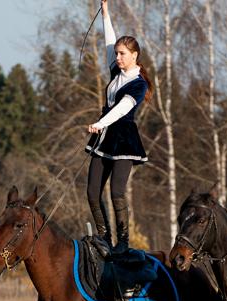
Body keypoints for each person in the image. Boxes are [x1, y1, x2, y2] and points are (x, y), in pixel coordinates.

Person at [86, 0, 153, 254]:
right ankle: (104, 237)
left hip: (123, 138)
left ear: (134, 55)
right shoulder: (116, 72)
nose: (117, 57)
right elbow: (108, 40)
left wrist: (99, 123)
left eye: (122, 54)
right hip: (104, 137)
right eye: (116, 54)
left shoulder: (138, 84)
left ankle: (122, 242)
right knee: (92, 192)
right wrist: (105, 12)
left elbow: (123, 108)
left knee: (116, 191)